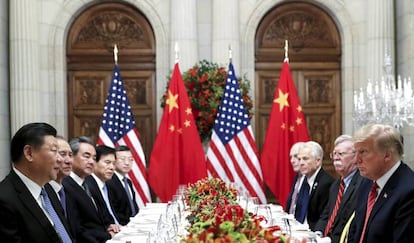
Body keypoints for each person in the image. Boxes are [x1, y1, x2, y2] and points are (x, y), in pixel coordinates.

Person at [0, 122, 73, 242]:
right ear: (29, 153)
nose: (60, 159)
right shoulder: (5, 199)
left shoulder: (48, 189)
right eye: (54, 151)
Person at [348, 124, 414, 243]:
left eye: (363, 152)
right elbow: (355, 230)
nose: (356, 160)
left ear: (387, 155)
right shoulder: (366, 182)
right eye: (355, 152)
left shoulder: (409, 191)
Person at [62, 136, 120, 243]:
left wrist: (109, 226)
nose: (91, 162)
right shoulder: (65, 186)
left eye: (94, 158)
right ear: (71, 157)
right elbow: (78, 230)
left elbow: (100, 216)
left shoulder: (89, 181)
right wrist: (107, 236)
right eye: (86, 156)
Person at [314, 135, 362, 243]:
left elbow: (347, 223)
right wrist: (318, 233)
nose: (336, 157)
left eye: (341, 154)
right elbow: (326, 215)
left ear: (355, 157)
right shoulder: (336, 185)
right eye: (334, 154)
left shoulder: (362, 184)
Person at [295, 141, 335, 230]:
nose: (301, 163)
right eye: (299, 159)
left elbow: (323, 218)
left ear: (317, 161)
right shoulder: (304, 180)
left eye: (305, 159)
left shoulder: (326, 183)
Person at [45, 135, 76, 239]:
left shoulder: (68, 190)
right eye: (62, 154)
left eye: (70, 155)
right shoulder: (43, 194)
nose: (69, 161)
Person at [84, 145, 120, 226]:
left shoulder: (108, 185)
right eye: (107, 162)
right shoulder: (88, 186)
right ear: (94, 163)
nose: (112, 167)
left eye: (114, 163)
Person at [107, 145, 139, 225]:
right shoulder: (109, 181)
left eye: (130, 159)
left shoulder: (128, 182)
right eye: (122, 159)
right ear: (114, 161)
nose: (127, 163)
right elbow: (113, 211)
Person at [285, 141, 305, 214]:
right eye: (291, 157)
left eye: (296, 156)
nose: (292, 161)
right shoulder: (298, 177)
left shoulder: (309, 179)